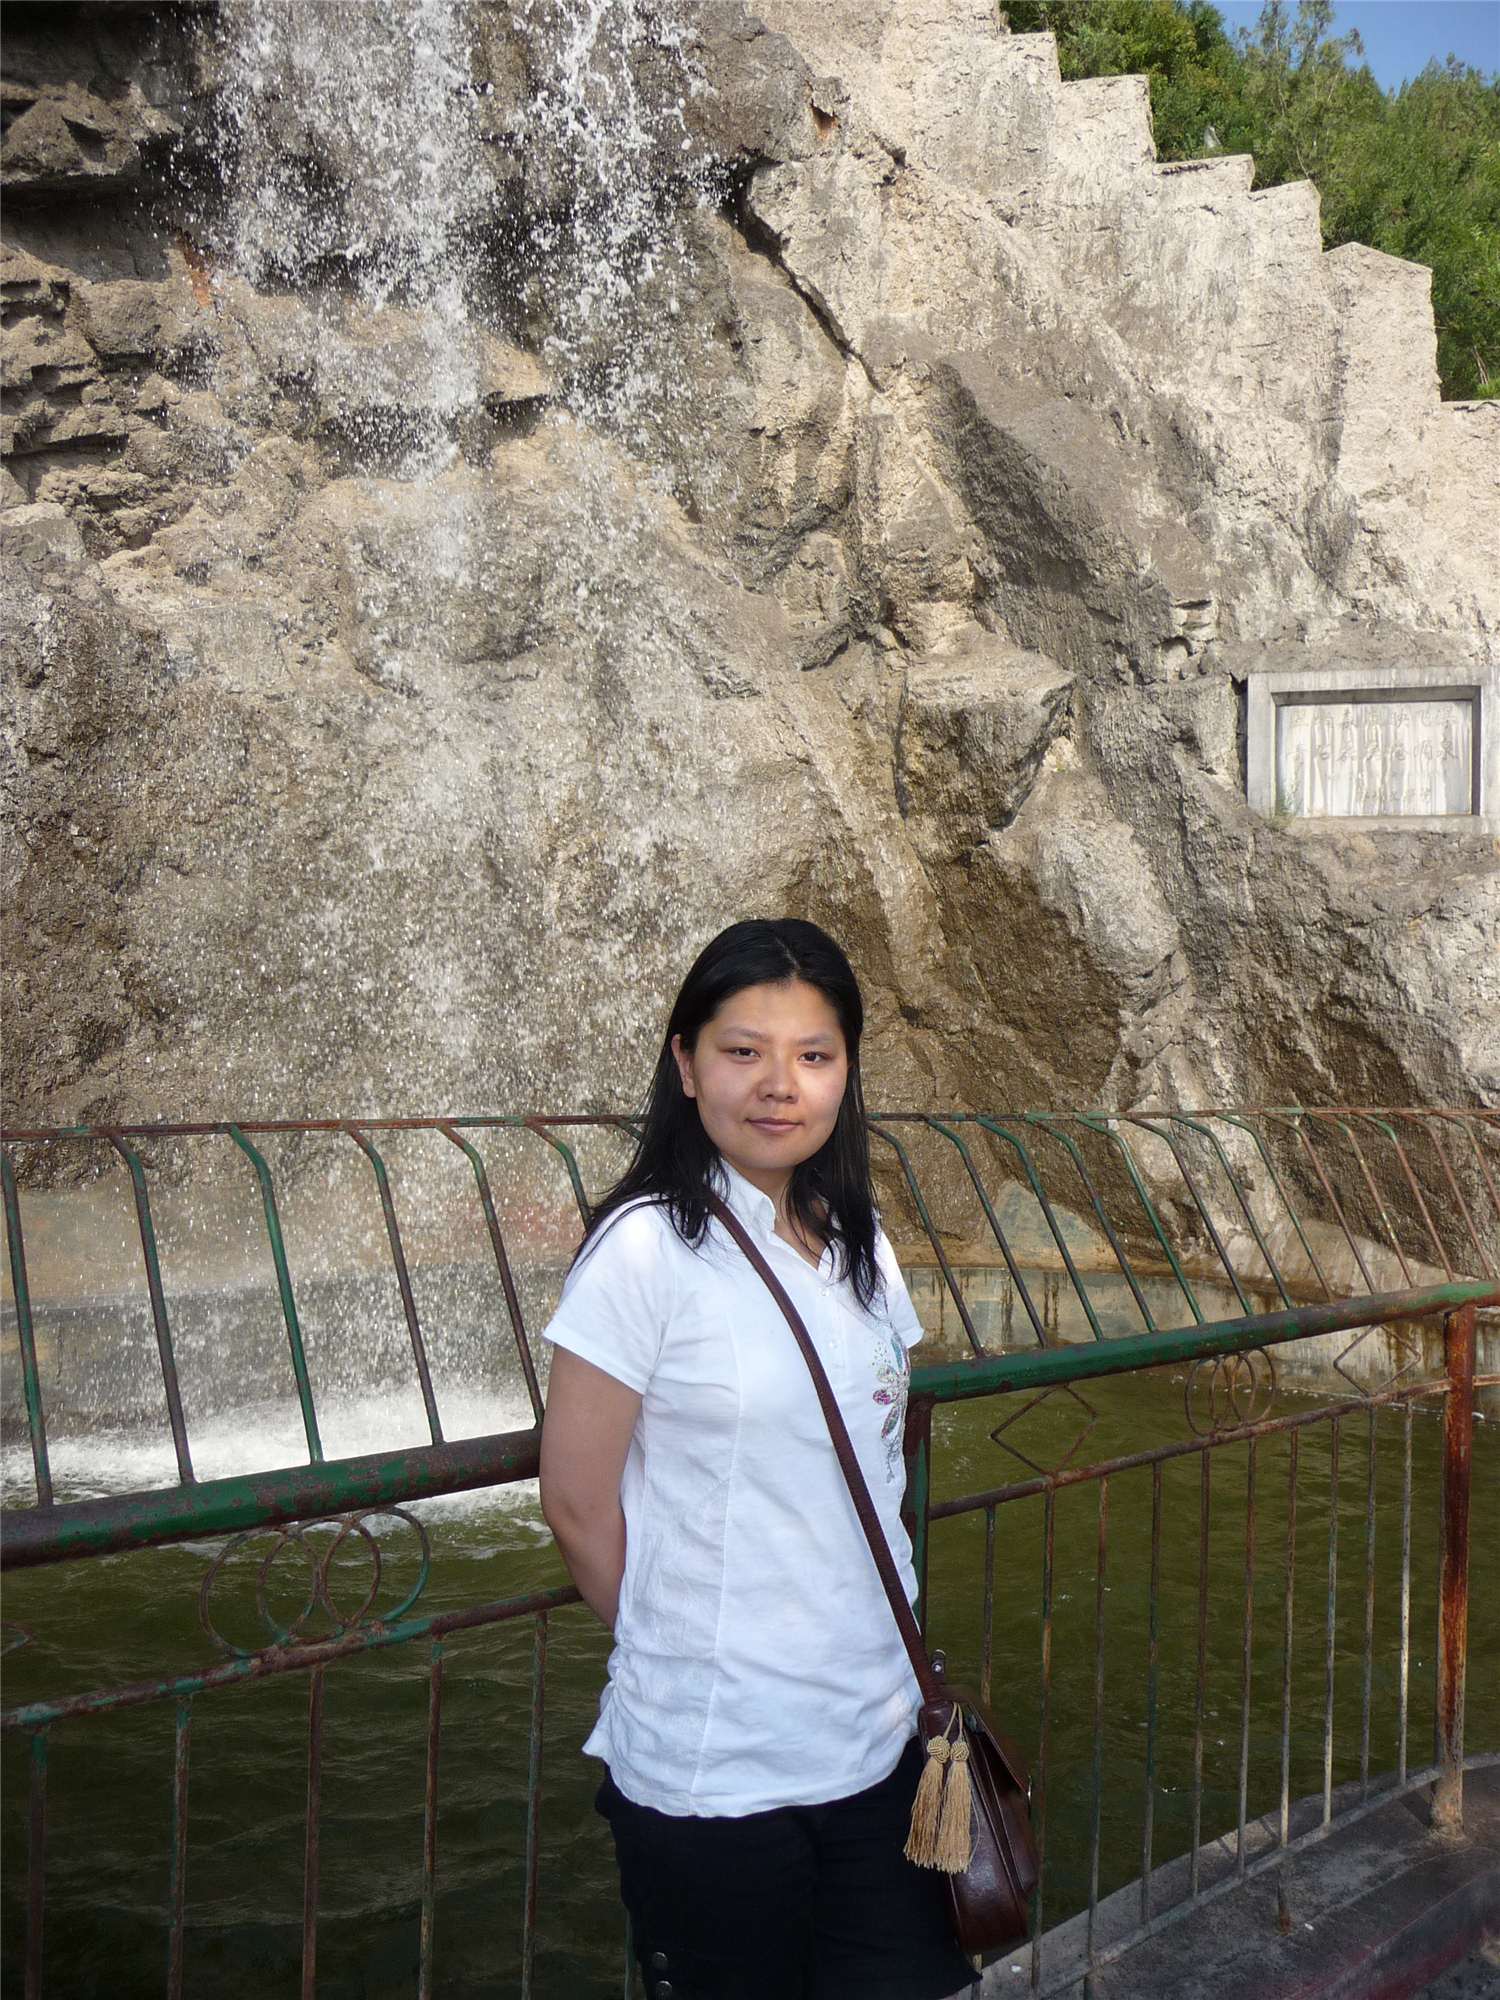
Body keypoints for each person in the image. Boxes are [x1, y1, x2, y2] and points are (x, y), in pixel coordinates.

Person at [539, 918, 975, 2000]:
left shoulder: (858, 1240)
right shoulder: (644, 1250)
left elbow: (878, 1451)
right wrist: (695, 1647)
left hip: (880, 1740)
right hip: (718, 1772)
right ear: (686, 1064)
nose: (780, 1084)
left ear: (846, 1072)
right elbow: (578, 1503)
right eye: (743, 1051)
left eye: (813, 1055)